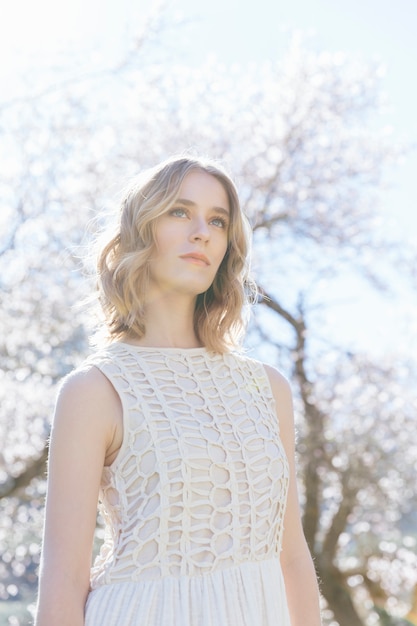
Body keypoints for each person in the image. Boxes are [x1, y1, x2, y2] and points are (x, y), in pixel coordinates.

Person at [35, 155, 322, 626]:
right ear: (140, 230)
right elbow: (64, 580)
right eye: (179, 211)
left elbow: (291, 556)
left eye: (217, 220)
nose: (202, 232)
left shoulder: (268, 388)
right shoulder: (94, 390)